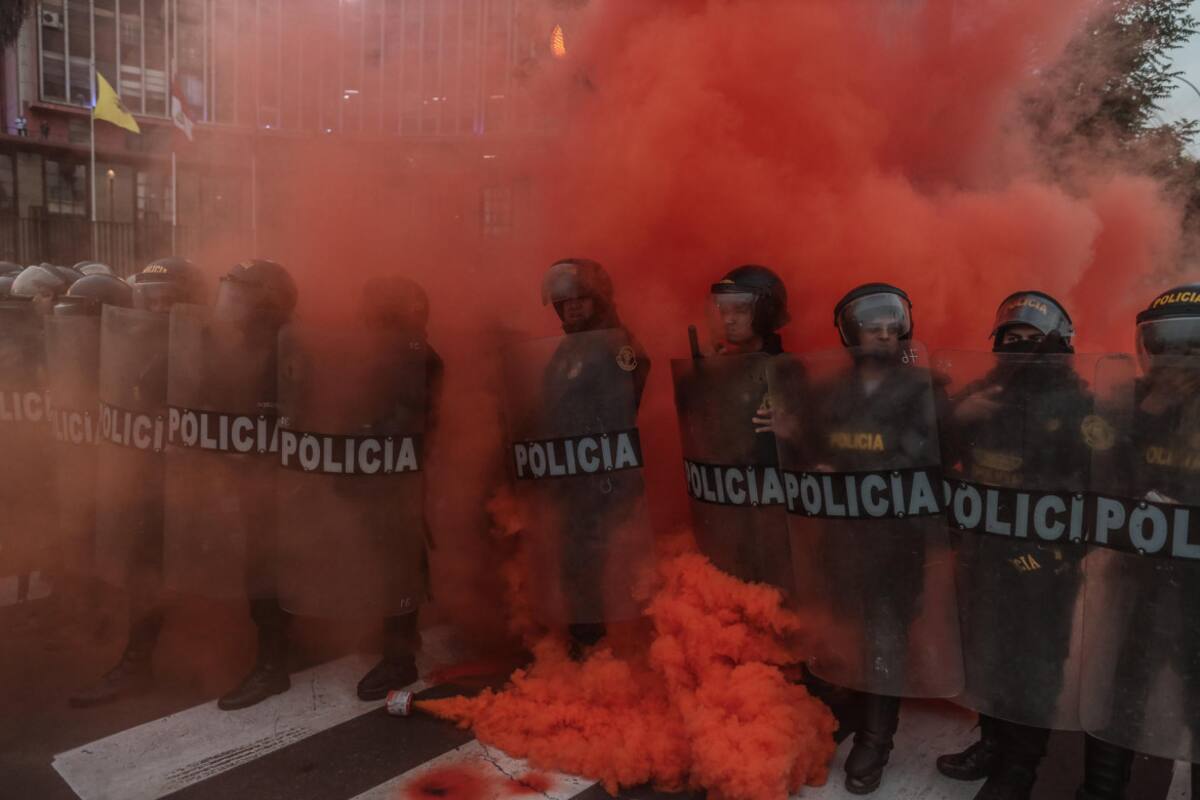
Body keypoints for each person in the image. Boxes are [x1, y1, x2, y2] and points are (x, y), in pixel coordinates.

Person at [936, 291, 1091, 800]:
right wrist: (960, 416)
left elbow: (1099, 495)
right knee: (986, 653)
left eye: (1033, 339)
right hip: (988, 554)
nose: (1021, 348)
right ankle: (992, 744)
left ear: (1058, 345)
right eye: (1011, 339)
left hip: (1044, 561)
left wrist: (1058, 556)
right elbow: (941, 457)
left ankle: (1020, 768)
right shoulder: (986, 390)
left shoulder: (1080, 405)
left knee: (1035, 664)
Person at [1075, 284, 1200, 800]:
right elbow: (1097, 471)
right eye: (1166, 344)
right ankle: (1101, 791)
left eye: (1188, 345)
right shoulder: (1126, 403)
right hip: (1139, 574)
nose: (1175, 357)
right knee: (1121, 684)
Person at [69, 257, 205, 708]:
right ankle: (137, 659)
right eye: (153, 298)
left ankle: (271, 656)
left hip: (211, 484)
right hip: (155, 476)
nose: (161, 308)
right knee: (147, 561)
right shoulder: (132, 344)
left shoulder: (212, 345)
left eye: (172, 300)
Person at [539, 258, 649, 657]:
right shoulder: (567, 350)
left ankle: (601, 645)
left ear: (599, 300)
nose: (570, 307)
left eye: (581, 299)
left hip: (603, 475)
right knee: (575, 556)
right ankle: (586, 636)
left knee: (597, 556)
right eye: (563, 301)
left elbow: (622, 405)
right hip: (571, 473)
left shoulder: (617, 344)